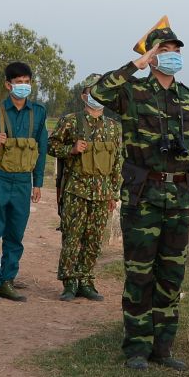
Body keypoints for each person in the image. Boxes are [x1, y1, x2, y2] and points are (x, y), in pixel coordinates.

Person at [90, 25, 189, 370]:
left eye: (177, 49)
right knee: (140, 274)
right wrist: (135, 65)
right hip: (144, 196)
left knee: (172, 276)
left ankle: (163, 349)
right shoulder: (132, 93)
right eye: (165, 49)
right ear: (153, 55)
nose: (173, 54)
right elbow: (96, 92)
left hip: (181, 197)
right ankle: (137, 348)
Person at [0, 62, 48, 301]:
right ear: (8, 84)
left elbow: (42, 148)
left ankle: (7, 280)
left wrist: (38, 183)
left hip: (23, 181)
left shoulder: (39, 112)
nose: (23, 86)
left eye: (27, 82)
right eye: (18, 82)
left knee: (15, 234)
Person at [46, 73, 122, 301]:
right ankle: (69, 283)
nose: (97, 97)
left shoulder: (114, 127)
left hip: (102, 193)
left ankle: (87, 281)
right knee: (72, 237)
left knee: (94, 239)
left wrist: (114, 193)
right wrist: (70, 149)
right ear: (83, 95)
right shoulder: (71, 121)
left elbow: (118, 162)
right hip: (75, 191)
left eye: (102, 92)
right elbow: (51, 146)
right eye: (92, 91)